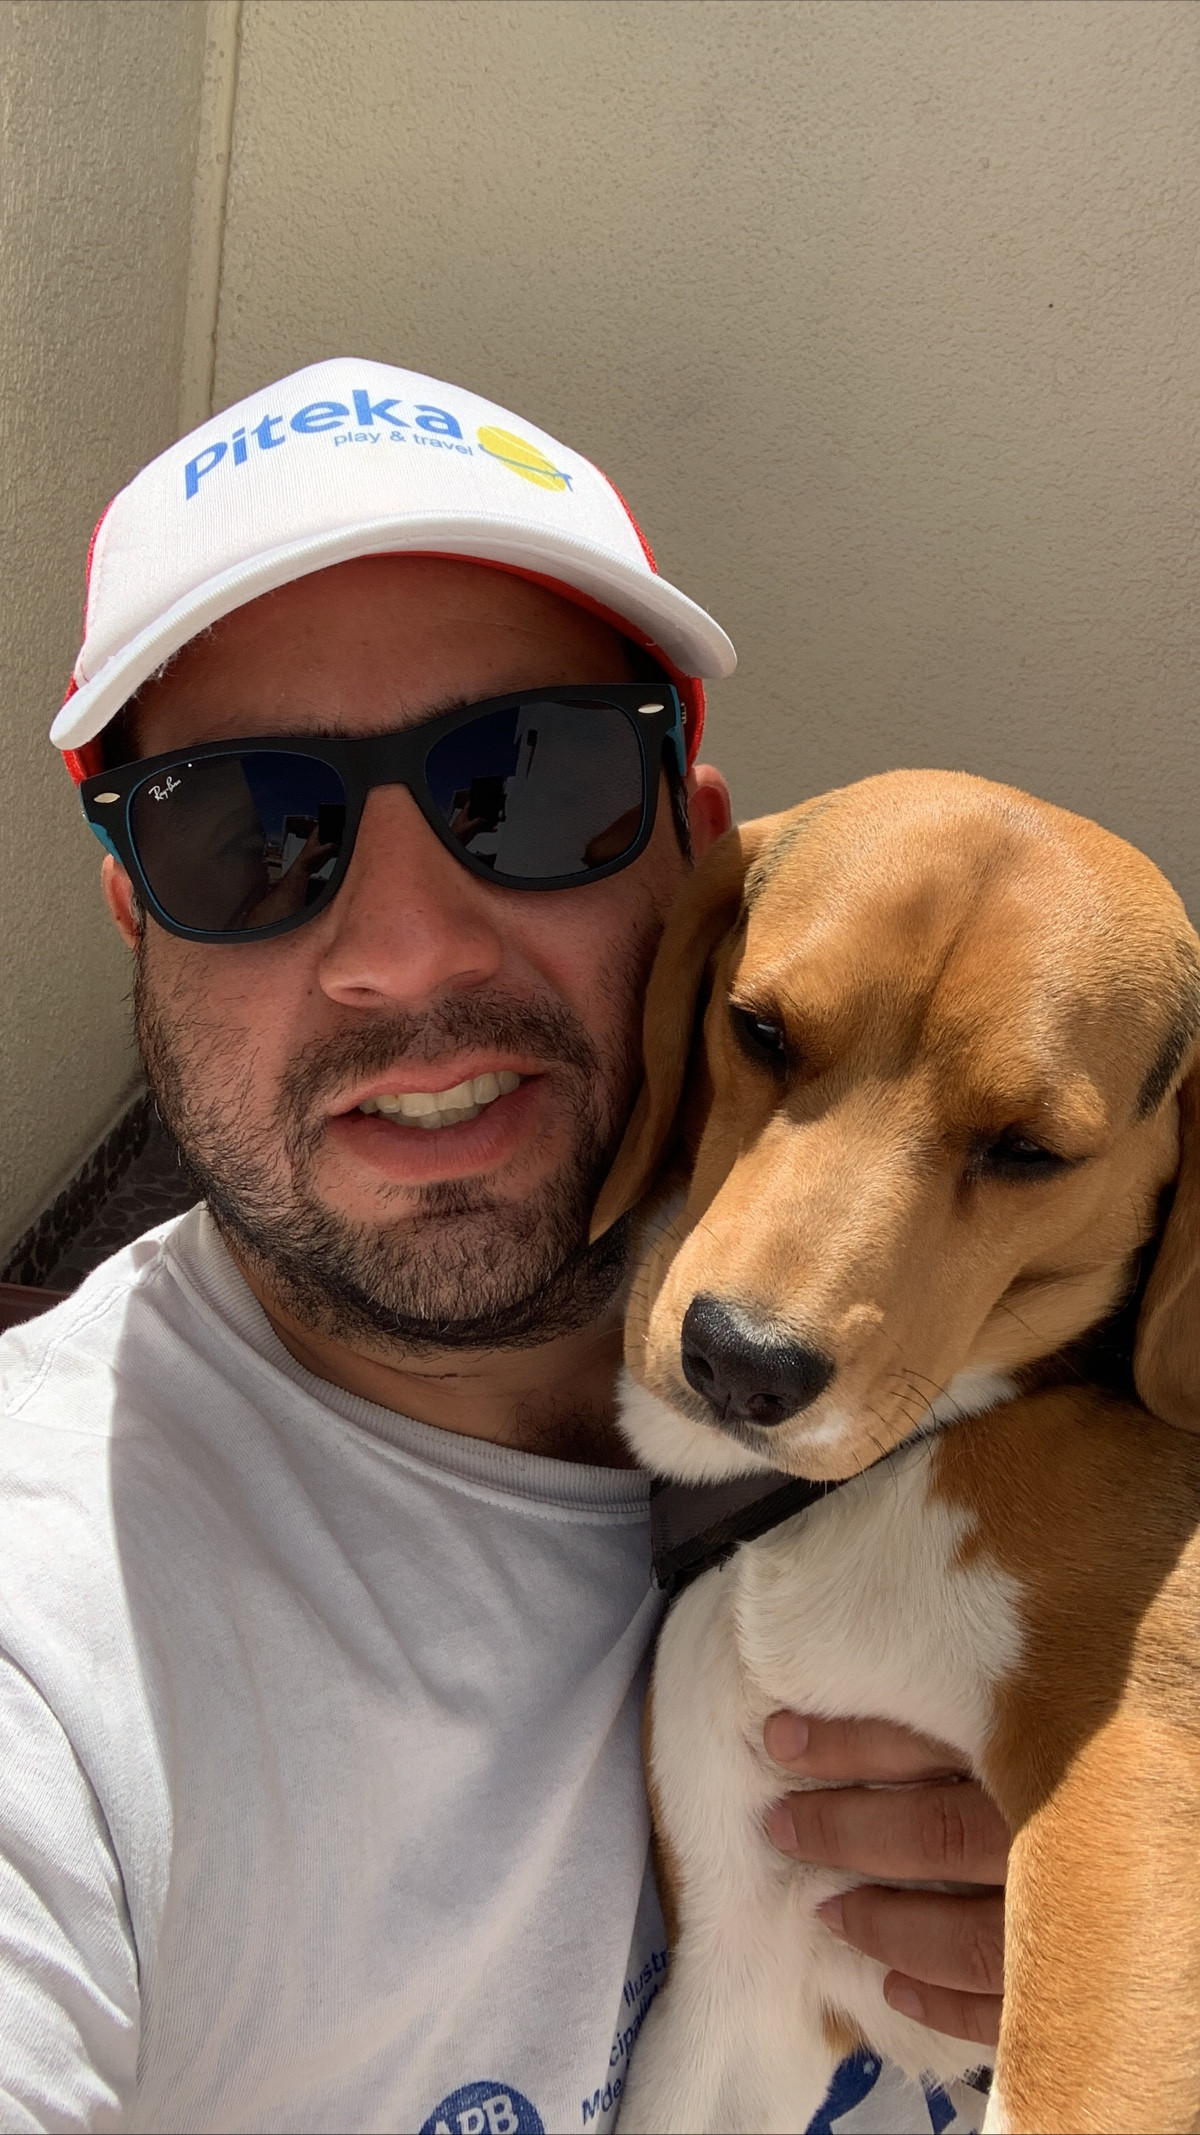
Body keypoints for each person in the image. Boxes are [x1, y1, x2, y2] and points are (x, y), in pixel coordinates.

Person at [0, 361, 1007, 2135]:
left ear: (702, 859)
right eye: (246, 834)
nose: (408, 949)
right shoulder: (51, 1637)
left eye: (528, 781)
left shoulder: (992, 1284)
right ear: (137, 923)